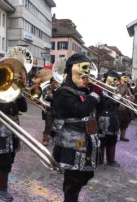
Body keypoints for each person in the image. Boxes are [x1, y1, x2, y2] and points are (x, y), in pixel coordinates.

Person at [52, 53, 101, 202]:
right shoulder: (64, 91)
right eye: (83, 68)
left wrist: (101, 94)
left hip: (87, 139)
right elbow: (80, 110)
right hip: (73, 142)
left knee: (83, 177)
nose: (87, 73)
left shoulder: (84, 90)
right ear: (71, 69)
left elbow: (95, 110)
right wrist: (94, 95)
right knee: (73, 181)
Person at [0, 96, 27, 201]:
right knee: (4, 161)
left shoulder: (14, 94)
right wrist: (9, 100)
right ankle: (2, 189)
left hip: (14, 130)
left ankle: (3, 182)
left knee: (10, 159)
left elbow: (24, 108)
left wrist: (20, 97)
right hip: (1, 131)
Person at [97, 71, 121, 167]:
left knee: (112, 139)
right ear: (108, 77)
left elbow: (116, 105)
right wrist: (113, 99)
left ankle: (111, 160)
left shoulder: (115, 89)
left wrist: (119, 100)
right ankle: (100, 160)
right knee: (102, 139)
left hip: (113, 117)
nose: (115, 80)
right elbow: (101, 105)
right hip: (102, 117)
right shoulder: (100, 88)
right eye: (113, 77)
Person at [116, 72, 134, 142]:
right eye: (125, 77)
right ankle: (116, 136)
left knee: (125, 123)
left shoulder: (130, 86)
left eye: (128, 77)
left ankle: (122, 136)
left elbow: (132, 95)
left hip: (127, 107)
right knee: (118, 123)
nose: (126, 79)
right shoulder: (118, 85)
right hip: (119, 107)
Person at [41, 77, 57, 146]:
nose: (55, 84)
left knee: (57, 125)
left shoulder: (59, 89)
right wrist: (53, 95)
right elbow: (45, 96)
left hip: (56, 109)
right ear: (51, 82)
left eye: (56, 82)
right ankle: (45, 139)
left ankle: (54, 138)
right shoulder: (46, 88)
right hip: (48, 110)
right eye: (54, 82)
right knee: (48, 125)